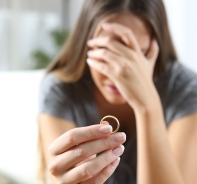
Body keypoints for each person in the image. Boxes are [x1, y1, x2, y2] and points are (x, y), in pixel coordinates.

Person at [38, 0, 197, 183]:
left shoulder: (186, 90)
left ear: (155, 48)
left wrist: (147, 105)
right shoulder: (61, 91)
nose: (120, 72)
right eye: (107, 51)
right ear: (86, 44)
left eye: (137, 55)